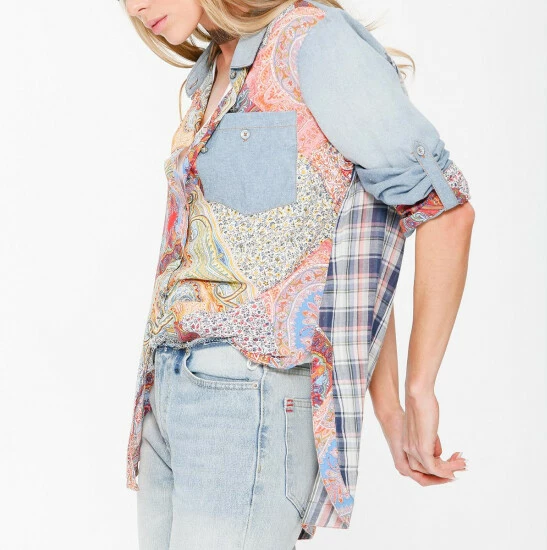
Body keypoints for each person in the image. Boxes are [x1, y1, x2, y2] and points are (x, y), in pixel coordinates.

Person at [119, 0, 474, 548]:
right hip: (166, 394)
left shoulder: (311, 40)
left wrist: (418, 389)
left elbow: (444, 210)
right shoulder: (210, 71)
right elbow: (345, 249)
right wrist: (388, 410)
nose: (134, 5)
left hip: (247, 400)